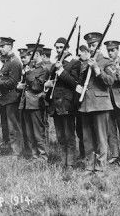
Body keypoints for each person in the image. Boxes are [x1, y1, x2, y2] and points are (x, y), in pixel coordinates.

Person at [76, 33, 116, 172]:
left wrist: (98, 70)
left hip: (100, 105)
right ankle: (89, 165)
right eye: (89, 46)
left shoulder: (106, 61)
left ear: (99, 46)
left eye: (94, 45)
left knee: (101, 138)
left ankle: (100, 167)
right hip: (86, 104)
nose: (91, 48)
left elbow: (110, 81)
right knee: (87, 138)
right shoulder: (85, 62)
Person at [44, 37, 80, 169]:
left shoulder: (75, 63)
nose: (59, 50)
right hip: (55, 105)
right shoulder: (54, 64)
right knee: (60, 135)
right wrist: (46, 85)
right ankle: (62, 161)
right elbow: (50, 82)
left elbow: (74, 83)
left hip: (67, 104)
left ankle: (70, 163)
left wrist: (61, 71)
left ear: (67, 49)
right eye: (57, 48)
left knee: (69, 135)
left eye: (61, 47)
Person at [0, 37, 23, 157]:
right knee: (7, 126)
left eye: (3, 46)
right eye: (0, 46)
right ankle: (11, 149)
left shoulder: (14, 62)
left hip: (12, 98)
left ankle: (16, 152)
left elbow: (13, 82)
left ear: (10, 46)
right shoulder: (8, 62)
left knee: (13, 127)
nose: (1, 48)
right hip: (5, 99)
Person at [17, 43, 49, 161]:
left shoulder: (43, 69)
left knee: (38, 132)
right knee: (29, 133)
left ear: (37, 54)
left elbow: (36, 87)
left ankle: (43, 156)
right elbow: (24, 85)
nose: (29, 58)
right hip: (26, 103)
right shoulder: (32, 69)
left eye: (31, 55)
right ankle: (34, 156)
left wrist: (28, 73)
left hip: (36, 104)